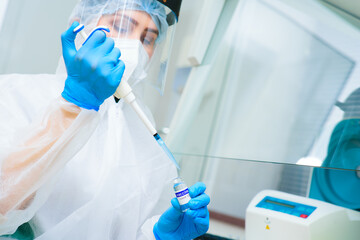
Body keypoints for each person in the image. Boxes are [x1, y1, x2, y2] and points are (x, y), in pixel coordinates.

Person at [0, 0, 210, 239]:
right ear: (81, 26)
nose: (136, 46)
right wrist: (73, 105)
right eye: (121, 25)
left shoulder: (142, 128)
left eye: (148, 39)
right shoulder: (16, 95)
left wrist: (158, 236)